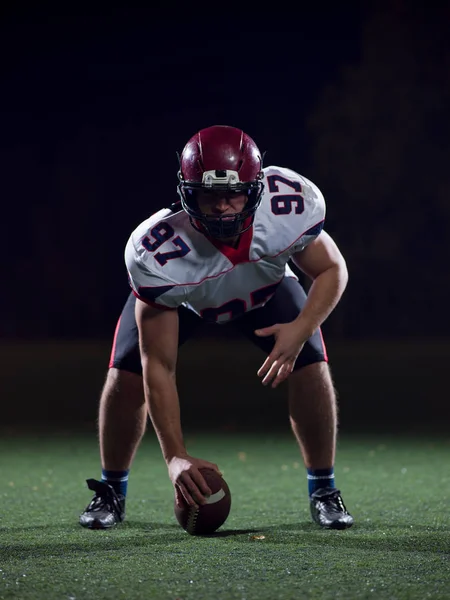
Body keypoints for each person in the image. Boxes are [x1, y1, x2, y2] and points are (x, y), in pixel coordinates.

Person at [79, 125, 353, 530]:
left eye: (233, 193)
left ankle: (324, 489)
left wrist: (301, 328)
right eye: (209, 195)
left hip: (266, 290)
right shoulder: (158, 255)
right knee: (126, 375)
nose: (223, 207)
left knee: (312, 365)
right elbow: (160, 366)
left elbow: (332, 268)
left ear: (256, 189)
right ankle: (112, 490)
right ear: (188, 193)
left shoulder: (287, 206)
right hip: (185, 301)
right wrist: (174, 454)